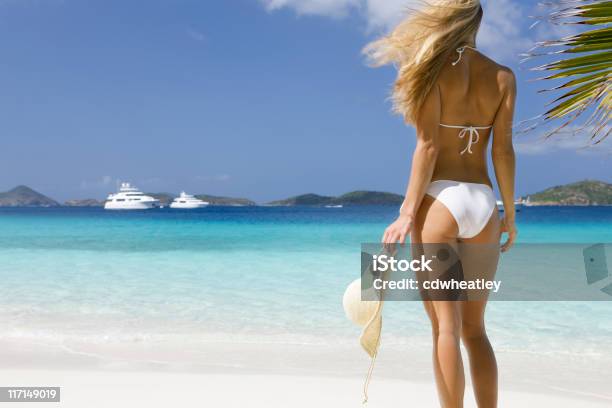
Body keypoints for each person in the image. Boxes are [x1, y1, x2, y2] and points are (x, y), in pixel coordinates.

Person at [364, 1, 517, 407]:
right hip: (484, 204)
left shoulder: (431, 69)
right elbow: (503, 151)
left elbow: (428, 148)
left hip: (440, 204)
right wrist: (511, 214)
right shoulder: (503, 76)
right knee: (475, 331)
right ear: (477, 24)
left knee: (444, 330)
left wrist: (406, 213)